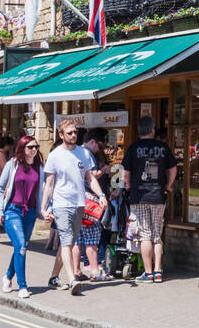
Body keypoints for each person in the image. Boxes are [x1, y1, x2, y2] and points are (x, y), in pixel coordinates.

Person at [41, 119, 107, 295]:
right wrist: (44, 207)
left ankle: (54, 277)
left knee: (66, 243)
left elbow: (90, 178)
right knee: (68, 241)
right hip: (61, 204)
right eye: (69, 133)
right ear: (61, 135)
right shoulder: (55, 155)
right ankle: (72, 280)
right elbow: (49, 183)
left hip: (79, 204)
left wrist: (101, 195)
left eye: (75, 132)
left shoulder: (83, 154)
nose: (73, 135)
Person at [122, 115, 178, 284]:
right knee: (157, 235)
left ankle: (148, 273)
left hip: (139, 197)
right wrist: (168, 185)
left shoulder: (133, 148)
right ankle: (158, 270)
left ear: (139, 131)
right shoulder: (163, 147)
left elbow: (125, 173)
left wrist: (127, 185)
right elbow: (173, 168)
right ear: (152, 130)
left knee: (145, 235)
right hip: (158, 196)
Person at [0, 135, 44, 298]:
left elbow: (42, 192)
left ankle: (8, 276)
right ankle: (22, 286)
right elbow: (0, 188)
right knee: (21, 246)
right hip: (12, 211)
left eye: (36, 147)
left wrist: (45, 210)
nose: (34, 150)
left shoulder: (39, 167)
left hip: (29, 212)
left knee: (20, 248)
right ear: (22, 148)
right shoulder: (12, 164)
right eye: (30, 147)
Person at [76, 129, 113, 281]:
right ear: (92, 142)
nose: (99, 149)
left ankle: (76, 271)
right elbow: (91, 176)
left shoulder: (77, 152)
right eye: (98, 146)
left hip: (77, 201)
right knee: (92, 237)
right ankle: (94, 270)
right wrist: (103, 170)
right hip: (89, 201)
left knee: (77, 240)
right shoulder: (87, 154)